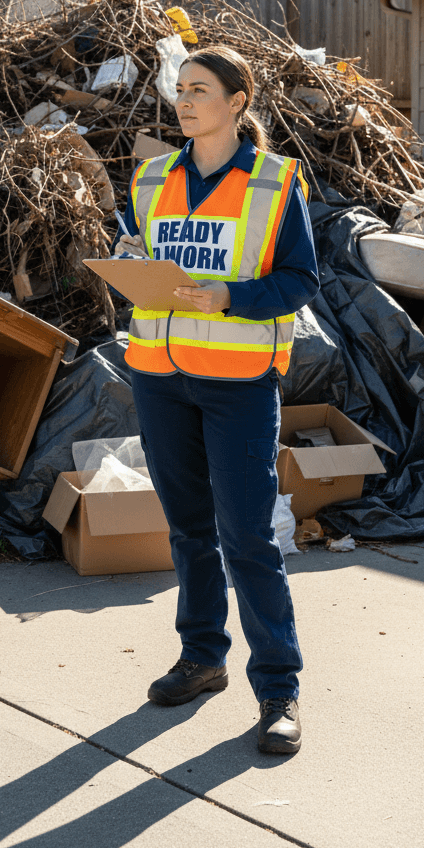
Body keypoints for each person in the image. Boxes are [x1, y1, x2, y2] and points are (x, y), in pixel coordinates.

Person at [113, 45, 319, 754]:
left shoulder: (274, 181)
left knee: (249, 537)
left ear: (237, 101)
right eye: (180, 89)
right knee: (188, 530)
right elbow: (142, 252)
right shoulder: (150, 178)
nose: (184, 99)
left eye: (200, 89)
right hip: (159, 376)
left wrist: (232, 296)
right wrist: (129, 265)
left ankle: (279, 690)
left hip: (236, 384)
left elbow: (300, 281)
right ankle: (202, 659)